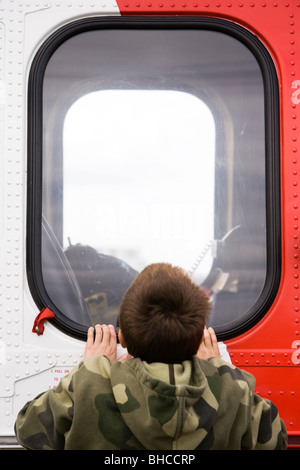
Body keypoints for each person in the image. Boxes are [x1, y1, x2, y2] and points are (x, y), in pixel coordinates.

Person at [14, 263, 287, 450]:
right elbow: (276, 440)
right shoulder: (231, 390)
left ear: (122, 338)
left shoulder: (90, 383)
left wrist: (88, 367)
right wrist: (221, 369)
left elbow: (27, 429)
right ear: (197, 340)